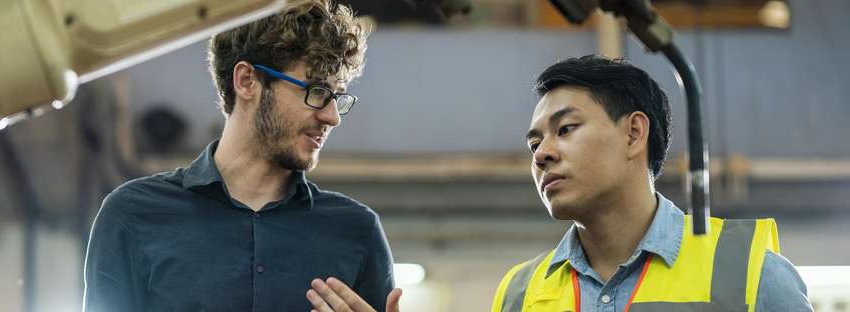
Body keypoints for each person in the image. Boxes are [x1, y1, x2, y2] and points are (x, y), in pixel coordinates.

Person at [304, 55, 813, 312]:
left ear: (635, 132)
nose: (543, 152)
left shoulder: (750, 275)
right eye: (533, 144)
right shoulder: (521, 293)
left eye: (566, 129)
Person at [82, 1, 396, 310]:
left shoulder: (357, 231)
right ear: (247, 81)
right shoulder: (132, 216)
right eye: (317, 91)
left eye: (336, 97)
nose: (332, 117)